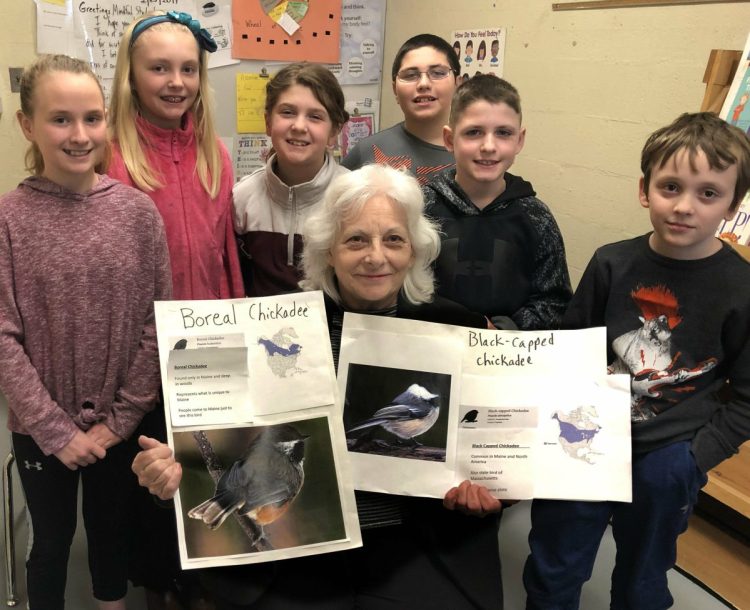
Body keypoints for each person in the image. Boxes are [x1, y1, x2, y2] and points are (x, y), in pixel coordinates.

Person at [132, 164, 506, 610]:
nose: (375, 256)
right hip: (297, 557)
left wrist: (491, 491)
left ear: (413, 251)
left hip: (417, 545)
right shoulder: (270, 329)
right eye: (355, 240)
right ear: (328, 251)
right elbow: (208, 435)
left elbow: (499, 453)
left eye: (393, 239)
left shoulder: (457, 328)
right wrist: (171, 471)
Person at [523, 112, 750, 610]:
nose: (685, 206)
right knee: (555, 562)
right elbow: (571, 344)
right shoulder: (611, 262)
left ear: (733, 204)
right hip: (584, 440)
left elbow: (748, 396)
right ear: (645, 190)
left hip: (669, 456)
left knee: (643, 579)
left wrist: (697, 456)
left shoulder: (741, 287)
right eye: (671, 187)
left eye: (708, 193)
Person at [0, 54, 172, 610]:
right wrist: (55, 430)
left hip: (119, 430)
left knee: (111, 539)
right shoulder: (8, 220)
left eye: (92, 118)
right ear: (28, 125)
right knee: (50, 543)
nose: (79, 135)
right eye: (60, 120)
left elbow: (156, 323)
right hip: (40, 431)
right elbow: (2, 337)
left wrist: (119, 421)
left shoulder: (138, 215)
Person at [108, 11, 244, 608]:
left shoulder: (215, 153)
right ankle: (157, 585)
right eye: (158, 67)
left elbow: (225, 255)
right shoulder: (109, 156)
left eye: (188, 68)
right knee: (148, 479)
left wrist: (237, 329)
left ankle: (203, 582)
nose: (175, 81)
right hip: (138, 354)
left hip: (208, 349)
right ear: (131, 75)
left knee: (204, 468)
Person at [423, 73, 572, 331]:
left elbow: (555, 301)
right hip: (433, 351)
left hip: (508, 357)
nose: (489, 146)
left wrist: (506, 330)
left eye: (503, 133)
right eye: (474, 132)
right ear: (449, 139)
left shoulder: (537, 218)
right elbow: (402, 286)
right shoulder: (421, 208)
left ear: (519, 140)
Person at [233, 62, 350, 297]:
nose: (298, 126)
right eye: (287, 112)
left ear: (334, 132)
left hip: (333, 330)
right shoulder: (241, 198)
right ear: (268, 123)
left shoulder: (353, 198)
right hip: (260, 330)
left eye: (315, 116)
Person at [342, 34, 460, 184]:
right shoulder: (367, 152)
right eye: (411, 75)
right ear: (395, 90)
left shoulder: (478, 151)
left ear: (457, 84)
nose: (424, 84)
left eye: (437, 73)